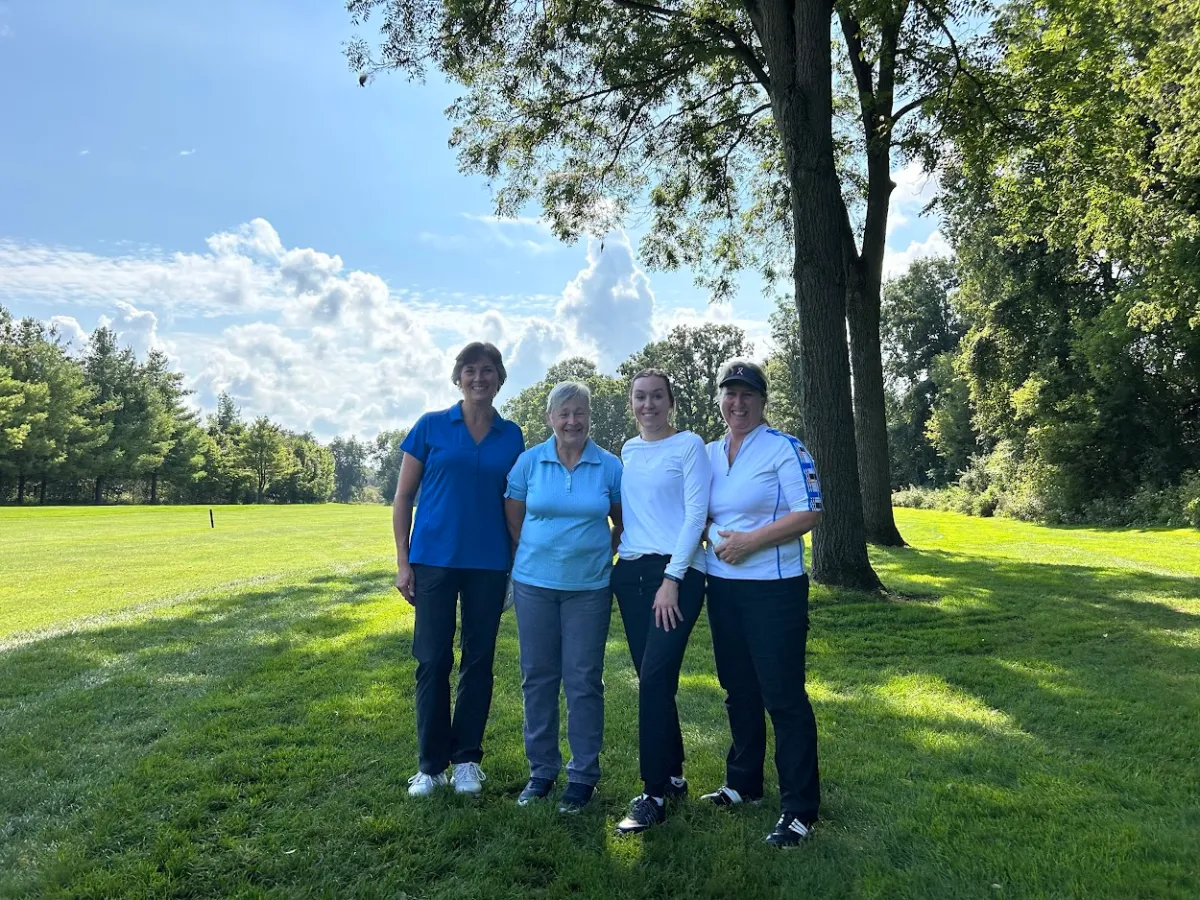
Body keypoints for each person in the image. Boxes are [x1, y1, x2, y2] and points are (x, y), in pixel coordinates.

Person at [699, 358, 824, 848]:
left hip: (774, 589)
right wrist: (714, 536)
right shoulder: (708, 453)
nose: (738, 403)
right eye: (730, 394)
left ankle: (799, 809)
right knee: (738, 690)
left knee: (783, 697)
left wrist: (751, 541)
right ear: (721, 400)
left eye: (748, 394)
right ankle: (743, 783)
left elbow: (810, 512)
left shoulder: (784, 448)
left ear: (762, 400)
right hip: (722, 586)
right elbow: (700, 511)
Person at [392, 342, 525, 798]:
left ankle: (467, 759)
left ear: (499, 378)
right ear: (458, 377)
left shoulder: (512, 435)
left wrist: (516, 564)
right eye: (470, 370)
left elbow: (516, 503)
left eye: (487, 370)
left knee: (478, 661)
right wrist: (402, 560)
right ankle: (430, 766)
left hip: (489, 563)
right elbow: (404, 496)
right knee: (432, 660)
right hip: (432, 560)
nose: (479, 378)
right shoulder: (430, 426)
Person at [504, 381, 623, 813]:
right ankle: (542, 772)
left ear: (590, 417)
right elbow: (514, 520)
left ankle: (583, 776)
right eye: (564, 413)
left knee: (584, 681)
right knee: (537, 677)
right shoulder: (529, 463)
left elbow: (621, 522)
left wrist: (595, 554)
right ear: (550, 418)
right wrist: (540, 555)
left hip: (589, 589)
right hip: (534, 585)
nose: (572, 421)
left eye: (580, 413)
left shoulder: (609, 466)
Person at [610, 369, 711, 835]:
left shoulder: (689, 445)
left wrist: (673, 576)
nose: (647, 405)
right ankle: (672, 775)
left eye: (656, 397)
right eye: (639, 397)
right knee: (655, 677)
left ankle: (651, 794)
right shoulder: (628, 450)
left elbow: (695, 514)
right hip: (630, 574)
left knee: (652, 680)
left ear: (671, 401)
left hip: (677, 574)